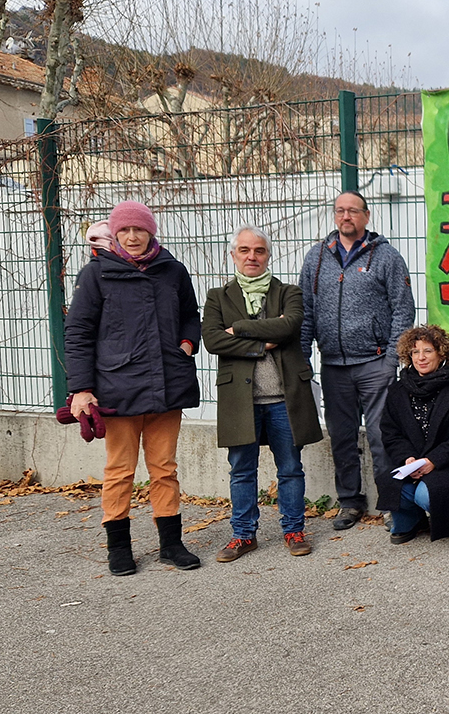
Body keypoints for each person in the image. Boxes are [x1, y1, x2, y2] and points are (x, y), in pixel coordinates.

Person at [64, 200, 202, 575]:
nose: (132, 236)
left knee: (165, 469)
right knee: (120, 471)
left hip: (167, 386)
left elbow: (191, 315)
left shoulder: (172, 271)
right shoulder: (96, 275)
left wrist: (187, 345)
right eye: (124, 230)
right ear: (115, 234)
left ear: (150, 231)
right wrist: (80, 388)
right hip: (116, 389)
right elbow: (77, 333)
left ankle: (171, 545)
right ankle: (118, 548)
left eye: (138, 229)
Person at [202, 227, 323, 561]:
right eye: (244, 250)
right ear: (233, 255)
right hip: (240, 401)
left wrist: (239, 328)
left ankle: (294, 530)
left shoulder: (288, 292)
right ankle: (243, 535)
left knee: (290, 468)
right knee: (241, 470)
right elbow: (213, 340)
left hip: (285, 398)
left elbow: (289, 326)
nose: (251, 256)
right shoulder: (217, 297)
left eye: (258, 250)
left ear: (268, 255)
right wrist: (262, 344)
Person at [299, 190, 415, 531]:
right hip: (333, 365)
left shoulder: (386, 257)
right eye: (340, 211)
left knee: (382, 438)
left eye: (353, 211)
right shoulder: (317, 257)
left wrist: (393, 357)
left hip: (375, 364)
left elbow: (402, 308)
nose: (345, 216)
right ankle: (350, 502)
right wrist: (304, 357)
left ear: (366, 216)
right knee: (342, 438)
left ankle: (392, 503)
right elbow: (305, 310)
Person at [379, 325, 449, 545]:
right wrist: (408, 459)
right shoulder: (399, 390)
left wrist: (434, 460)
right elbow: (391, 433)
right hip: (415, 462)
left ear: (442, 353)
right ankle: (411, 522)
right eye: (415, 352)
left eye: (427, 351)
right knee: (390, 481)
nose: (421, 357)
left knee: (426, 493)